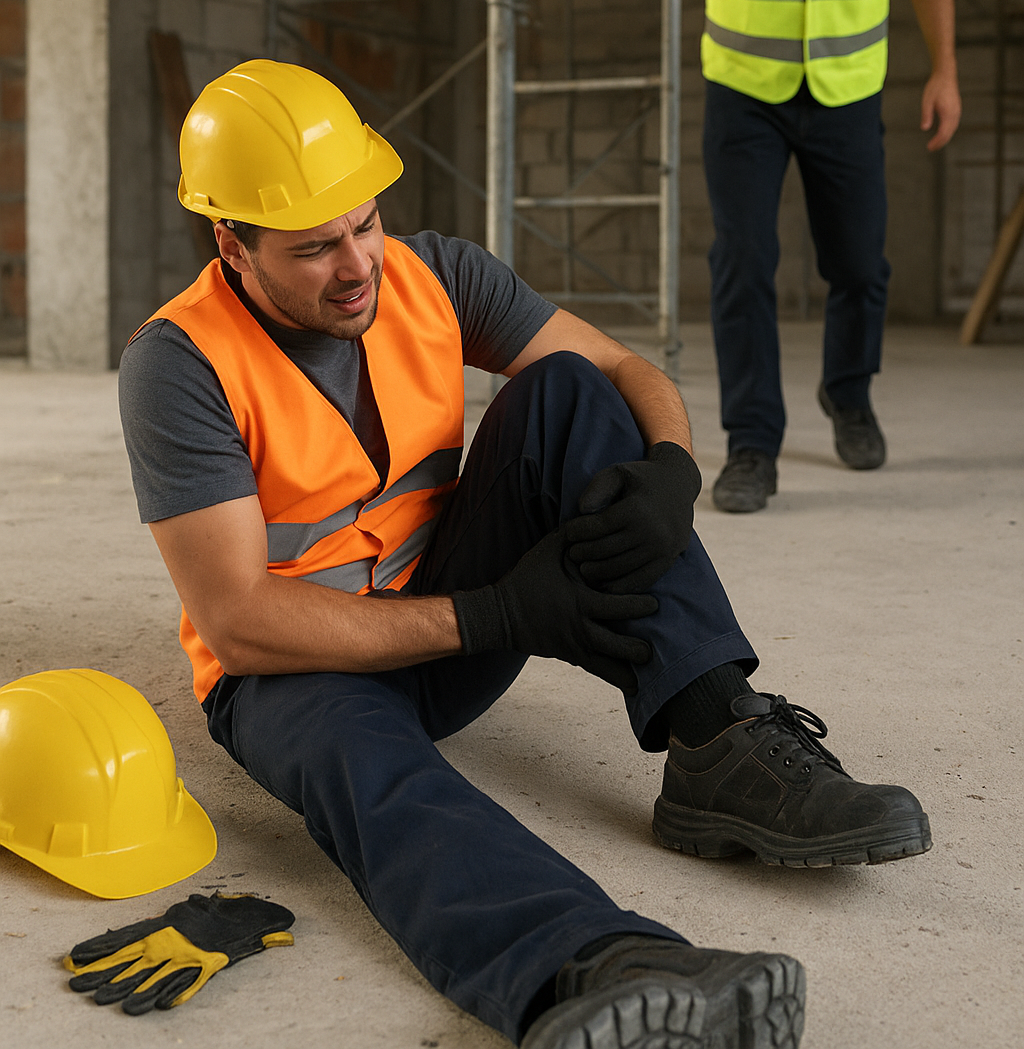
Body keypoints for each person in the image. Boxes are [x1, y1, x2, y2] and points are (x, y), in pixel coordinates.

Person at [119, 59, 932, 1049]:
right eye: (313, 247)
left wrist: (672, 466)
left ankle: (716, 740)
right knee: (371, 769)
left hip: (450, 616)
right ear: (230, 245)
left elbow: (625, 368)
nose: (356, 264)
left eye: (365, 223)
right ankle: (590, 968)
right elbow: (239, 624)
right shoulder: (179, 363)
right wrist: (501, 615)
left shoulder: (436, 276)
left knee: (570, 396)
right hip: (297, 675)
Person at [606, 0, 961, 513]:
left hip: (844, 93)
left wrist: (945, 70)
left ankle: (849, 393)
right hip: (747, 97)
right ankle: (753, 444)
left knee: (858, 266)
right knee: (743, 262)